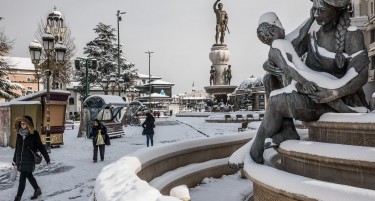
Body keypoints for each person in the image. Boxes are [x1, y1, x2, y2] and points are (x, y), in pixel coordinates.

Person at [250, 0, 370, 164]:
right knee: (269, 78)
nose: (315, 14)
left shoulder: (352, 34)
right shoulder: (312, 29)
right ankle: (287, 130)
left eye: (321, 10)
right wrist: (271, 63)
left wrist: (335, 91)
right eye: (314, 9)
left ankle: (255, 150)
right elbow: (285, 47)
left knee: (276, 103)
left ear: (337, 9)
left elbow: (360, 74)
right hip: (313, 94)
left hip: (337, 99)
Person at [257, 11, 356, 114]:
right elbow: (288, 67)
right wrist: (304, 82)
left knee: (329, 81)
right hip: (297, 80)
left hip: (305, 74)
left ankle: (348, 108)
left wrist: (312, 18)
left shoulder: (282, 42)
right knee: (320, 89)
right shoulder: (277, 46)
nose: (283, 29)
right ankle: (347, 112)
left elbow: (300, 33)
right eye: (280, 27)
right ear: (272, 32)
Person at [12, 115, 50, 201]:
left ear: (29, 124)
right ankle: (37, 190)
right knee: (29, 175)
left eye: (25, 123)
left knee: (22, 178)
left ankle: (18, 197)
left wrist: (47, 158)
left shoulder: (34, 134)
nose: (23, 125)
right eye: (22, 123)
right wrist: (14, 160)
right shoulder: (19, 134)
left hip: (29, 160)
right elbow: (17, 148)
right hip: (20, 160)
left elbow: (40, 146)